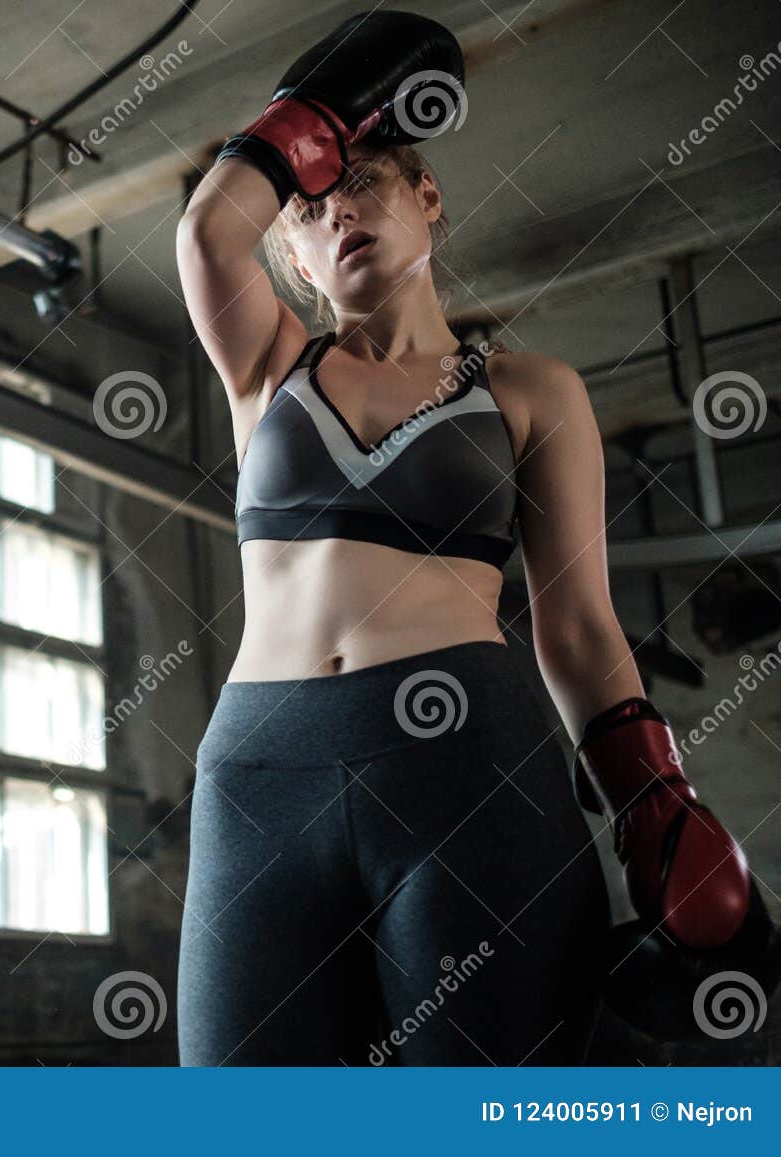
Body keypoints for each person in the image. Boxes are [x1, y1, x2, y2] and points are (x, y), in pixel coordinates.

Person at [173, 10, 756, 1065]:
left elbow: (576, 626)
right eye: (308, 208)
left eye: (368, 183)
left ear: (427, 198)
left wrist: (652, 799)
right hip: (261, 776)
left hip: (468, 767)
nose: (338, 210)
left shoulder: (531, 390)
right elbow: (209, 231)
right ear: (296, 261)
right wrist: (308, 112)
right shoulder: (267, 367)